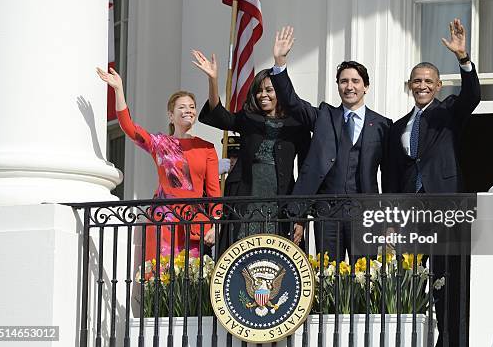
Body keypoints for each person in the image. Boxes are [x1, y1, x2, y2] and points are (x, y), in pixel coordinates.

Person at [385, 18, 481, 347]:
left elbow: (473, 95)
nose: (422, 85)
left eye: (428, 81)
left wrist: (463, 59)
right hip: (411, 214)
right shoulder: (397, 127)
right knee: (408, 282)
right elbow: (393, 177)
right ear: (409, 85)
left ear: (438, 86)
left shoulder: (449, 113)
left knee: (448, 281)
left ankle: (452, 341)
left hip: (445, 210)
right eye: (417, 81)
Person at [269, 26, 392, 261]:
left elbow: (388, 174)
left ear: (365, 86)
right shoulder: (325, 116)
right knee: (328, 274)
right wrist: (280, 62)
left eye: (355, 81)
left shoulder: (383, 125)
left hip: (364, 212)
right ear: (338, 86)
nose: (349, 86)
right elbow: (292, 103)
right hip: (327, 210)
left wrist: (388, 219)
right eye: (344, 81)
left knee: (364, 276)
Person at [191, 50, 310, 252]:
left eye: (269, 90)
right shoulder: (248, 118)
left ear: (280, 92)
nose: (263, 95)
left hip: (280, 202)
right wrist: (213, 81)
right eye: (259, 90)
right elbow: (219, 115)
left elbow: (307, 174)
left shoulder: (297, 125)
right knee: (241, 253)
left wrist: (301, 218)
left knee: (278, 257)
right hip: (245, 197)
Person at [96, 67, 219, 262]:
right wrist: (118, 90)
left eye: (192, 106)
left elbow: (213, 191)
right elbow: (129, 128)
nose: (189, 110)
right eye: (182, 107)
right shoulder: (160, 143)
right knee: (161, 279)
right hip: (164, 220)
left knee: (193, 281)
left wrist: (215, 224)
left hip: (195, 224)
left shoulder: (206, 148)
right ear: (171, 116)